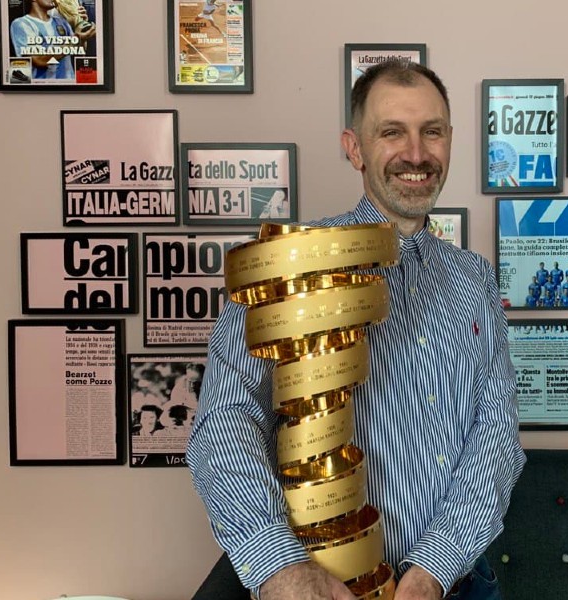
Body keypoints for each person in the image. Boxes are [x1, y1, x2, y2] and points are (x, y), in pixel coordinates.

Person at [188, 60, 525, 600]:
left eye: (431, 132)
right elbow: (225, 423)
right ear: (354, 148)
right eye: (392, 132)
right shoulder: (286, 266)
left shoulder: (474, 278)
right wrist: (280, 568)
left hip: (452, 584)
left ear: (450, 143)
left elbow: (497, 438)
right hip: (313, 587)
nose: (416, 154)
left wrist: (434, 569)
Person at [9, 0, 95, 80]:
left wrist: (80, 28)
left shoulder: (61, 22)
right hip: (41, 89)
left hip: (68, 87)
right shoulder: (22, 24)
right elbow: (38, 60)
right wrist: (75, 40)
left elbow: (79, 54)